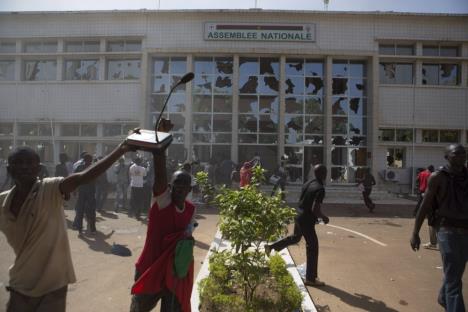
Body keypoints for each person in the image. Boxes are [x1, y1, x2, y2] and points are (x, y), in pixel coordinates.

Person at [0, 140, 134, 312]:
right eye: (18, 163)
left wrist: (120, 150)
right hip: (20, 283)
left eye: (29, 163)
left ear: (39, 168)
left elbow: (83, 178)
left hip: (53, 285)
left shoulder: (50, 188)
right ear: (9, 170)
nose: (24, 167)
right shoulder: (3, 201)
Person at [130, 119, 196, 312]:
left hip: (174, 272)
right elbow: (159, 174)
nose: (180, 189)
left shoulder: (191, 210)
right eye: (176, 185)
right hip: (150, 267)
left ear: (190, 189)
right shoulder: (163, 202)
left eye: (184, 186)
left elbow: (187, 237)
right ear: (170, 187)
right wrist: (160, 142)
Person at [410, 144, 468, 311]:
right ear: (446, 156)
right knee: (454, 280)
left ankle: (443, 297)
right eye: (457, 153)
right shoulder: (438, 177)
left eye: (464, 153)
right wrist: (415, 233)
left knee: (455, 272)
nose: (462, 156)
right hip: (446, 230)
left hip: (465, 230)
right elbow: (425, 205)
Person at [265, 164, 329, 287]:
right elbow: (315, 208)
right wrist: (324, 217)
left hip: (298, 214)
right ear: (324, 174)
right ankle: (310, 278)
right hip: (307, 219)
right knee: (313, 247)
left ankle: (271, 247)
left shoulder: (308, 183)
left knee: (295, 237)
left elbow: (303, 200)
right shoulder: (320, 188)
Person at [72, 153, 97, 235]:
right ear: (90, 160)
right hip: (89, 191)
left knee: (80, 210)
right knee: (91, 210)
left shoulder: (79, 167)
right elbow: (98, 178)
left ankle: (80, 229)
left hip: (82, 191)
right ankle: (92, 229)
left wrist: (75, 190)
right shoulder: (94, 167)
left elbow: (75, 179)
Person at [414, 165, 437, 249]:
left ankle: (433, 242)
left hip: (423, 192)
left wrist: (418, 188)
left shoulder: (422, 174)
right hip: (429, 194)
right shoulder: (432, 175)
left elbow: (417, 181)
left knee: (421, 206)